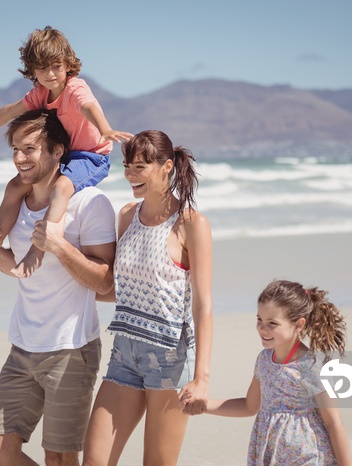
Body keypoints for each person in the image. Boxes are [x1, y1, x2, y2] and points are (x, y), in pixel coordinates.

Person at [0, 109, 116, 466]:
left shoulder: (89, 203)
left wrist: (60, 245)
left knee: (60, 459)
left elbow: (105, 281)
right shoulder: (19, 202)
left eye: (30, 149)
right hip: (22, 346)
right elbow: (24, 269)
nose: (20, 158)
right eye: (16, 149)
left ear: (57, 151)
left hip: (71, 349)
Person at [0, 25, 131, 277]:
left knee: (61, 187)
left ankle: (38, 249)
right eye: (42, 67)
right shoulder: (40, 93)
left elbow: (88, 107)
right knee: (16, 186)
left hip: (90, 156)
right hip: (64, 153)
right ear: (32, 69)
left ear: (68, 64)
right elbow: (9, 111)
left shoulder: (75, 88)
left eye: (56, 66)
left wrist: (105, 128)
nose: (50, 74)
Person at [82, 130, 213, 466]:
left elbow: (203, 304)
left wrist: (201, 378)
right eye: (127, 165)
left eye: (140, 166)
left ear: (166, 166)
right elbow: (116, 288)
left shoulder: (190, 224)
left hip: (170, 358)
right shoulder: (127, 215)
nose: (130, 174)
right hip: (124, 353)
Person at [194, 280, 352, 466]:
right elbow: (249, 406)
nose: (263, 328)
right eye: (259, 319)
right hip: (270, 455)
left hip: (307, 456)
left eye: (272, 323)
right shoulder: (264, 361)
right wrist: (203, 405)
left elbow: (334, 423)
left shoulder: (311, 366)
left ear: (299, 324)